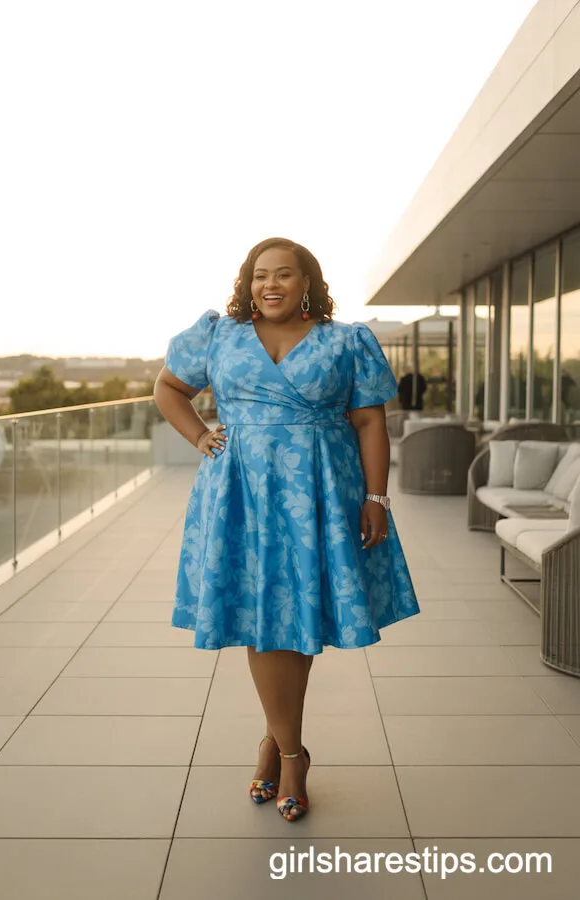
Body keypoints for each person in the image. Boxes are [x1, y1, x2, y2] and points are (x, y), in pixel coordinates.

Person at [154, 237, 419, 823]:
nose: (268, 285)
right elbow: (168, 388)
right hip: (242, 494)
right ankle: (293, 754)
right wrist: (201, 436)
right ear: (247, 284)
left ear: (308, 283)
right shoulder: (218, 335)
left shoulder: (344, 340)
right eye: (258, 276)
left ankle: (275, 743)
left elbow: (371, 420)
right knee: (265, 620)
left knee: (297, 614)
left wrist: (376, 496)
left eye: (282, 275)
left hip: (320, 491)